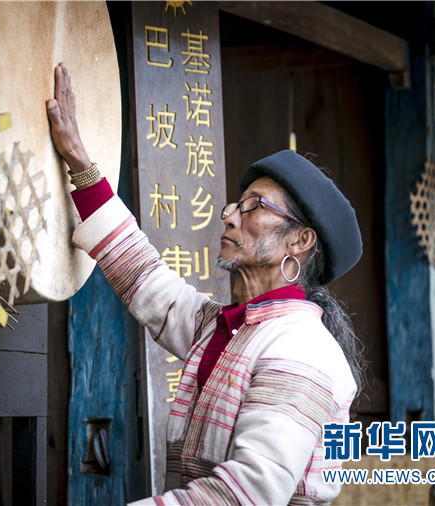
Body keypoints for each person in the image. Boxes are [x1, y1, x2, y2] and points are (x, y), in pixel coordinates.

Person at [46, 62, 366, 505]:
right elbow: (146, 278)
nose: (231, 216)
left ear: (299, 240)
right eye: (236, 204)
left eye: (255, 206)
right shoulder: (230, 327)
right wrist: (81, 163)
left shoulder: (300, 350)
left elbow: (245, 495)